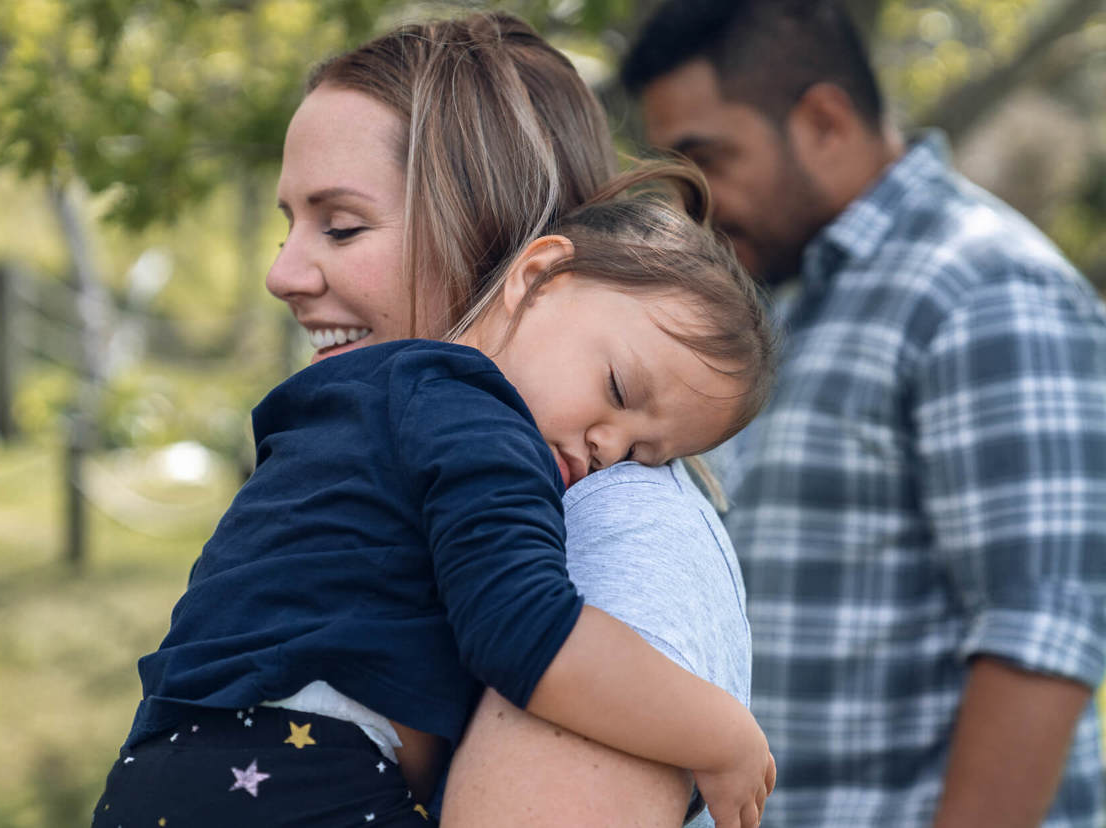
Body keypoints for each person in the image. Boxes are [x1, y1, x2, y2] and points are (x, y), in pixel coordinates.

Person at [92, 165, 777, 828]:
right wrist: (721, 733)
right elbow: (527, 634)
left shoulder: (386, 398)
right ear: (538, 277)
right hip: (290, 776)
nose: (609, 448)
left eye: (643, 454)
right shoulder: (480, 420)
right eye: (620, 391)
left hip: (168, 764)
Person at [622, 2, 1106, 827]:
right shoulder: (776, 300)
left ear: (824, 119)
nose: (693, 201)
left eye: (709, 157)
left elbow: (1039, 642)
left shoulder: (987, 291)